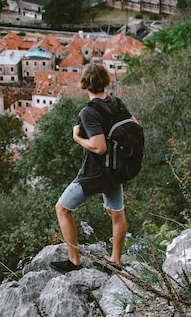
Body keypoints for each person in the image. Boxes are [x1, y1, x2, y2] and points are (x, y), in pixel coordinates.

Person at [50, 62, 138, 273]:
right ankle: (115, 261)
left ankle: (74, 261)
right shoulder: (117, 103)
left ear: (84, 84)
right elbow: (135, 126)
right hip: (115, 170)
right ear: (106, 82)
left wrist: (77, 138)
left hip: (95, 172)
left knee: (62, 209)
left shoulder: (88, 112)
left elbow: (99, 147)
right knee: (117, 214)